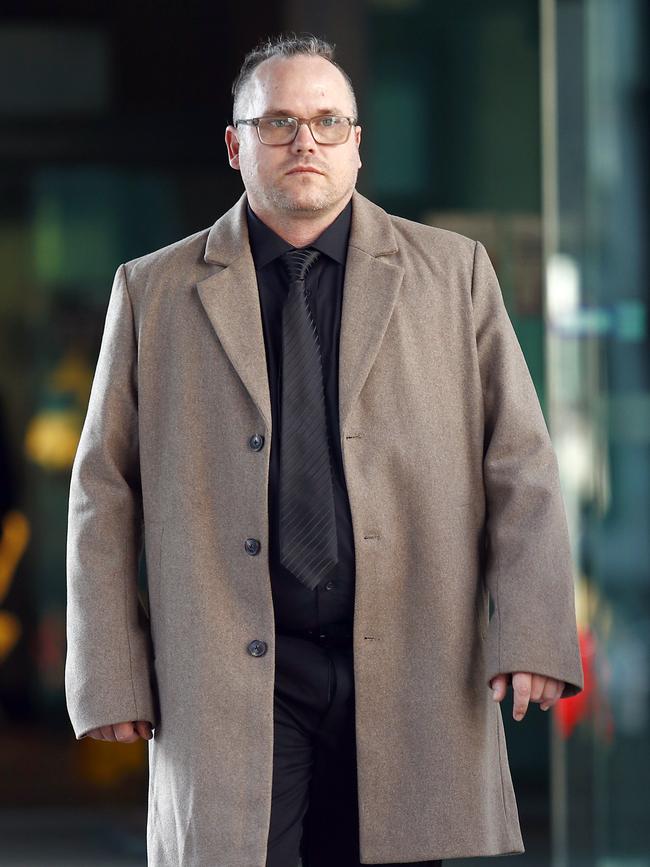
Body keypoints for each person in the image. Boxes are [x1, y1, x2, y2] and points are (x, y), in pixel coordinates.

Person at [65, 33, 584, 867]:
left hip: (412, 655)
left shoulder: (454, 275)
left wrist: (531, 631)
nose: (304, 141)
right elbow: (102, 495)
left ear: (357, 146)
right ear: (235, 146)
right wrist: (110, 674)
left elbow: (520, 464)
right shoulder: (152, 291)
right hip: (231, 674)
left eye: (326, 121)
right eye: (276, 123)